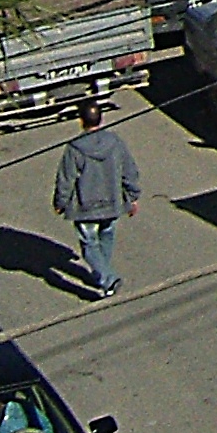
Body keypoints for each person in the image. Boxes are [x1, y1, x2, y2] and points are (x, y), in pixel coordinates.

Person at [51, 100, 140, 298]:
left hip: (85, 208)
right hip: (112, 203)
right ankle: (101, 274)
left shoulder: (75, 148)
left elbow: (66, 179)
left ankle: (108, 279)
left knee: (90, 244)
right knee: (106, 236)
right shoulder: (115, 142)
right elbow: (129, 171)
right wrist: (132, 197)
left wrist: (60, 203)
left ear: (81, 121)